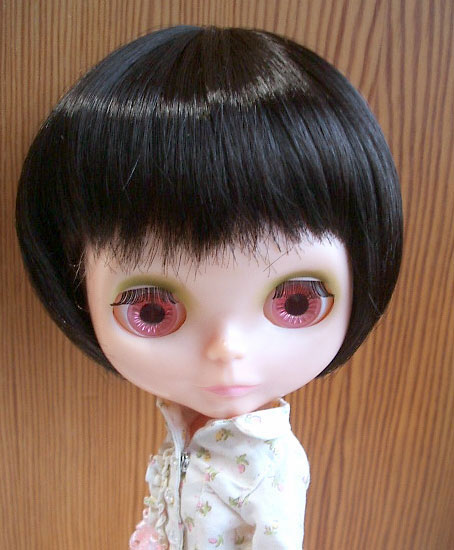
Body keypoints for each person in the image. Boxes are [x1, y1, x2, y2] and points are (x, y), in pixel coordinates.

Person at [16, 25, 403, 549]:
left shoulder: (271, 462)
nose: (227, 350)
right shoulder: (189, 425)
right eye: (151, 310)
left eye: (296, 302)